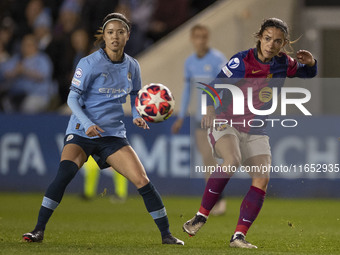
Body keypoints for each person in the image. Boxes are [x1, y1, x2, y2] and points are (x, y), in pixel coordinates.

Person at [22, 12, 184, 245]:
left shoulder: (132, 65)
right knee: (65, 173)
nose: (115, 36)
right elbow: (72, 100)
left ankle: (167, 235)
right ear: (104, 36)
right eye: (110, 32)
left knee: (142, 180)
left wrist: (137, 115)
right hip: (81, 131)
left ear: (127, 36)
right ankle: (38, 230)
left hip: (112, 135)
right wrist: (87, 124)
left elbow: (136, 93)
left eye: (120, 32)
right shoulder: (89, 63)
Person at [182, 17, 317, 248]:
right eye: (267, 38)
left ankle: (238, 237)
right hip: (226, 122)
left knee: (262, 179)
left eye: (277, 41)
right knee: (232, 159)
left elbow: (307, 74)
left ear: (283, 44)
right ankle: (200, 216)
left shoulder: (283, 63)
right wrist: (210, 111)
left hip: (256, 128)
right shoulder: (241, 62)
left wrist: (312, 63)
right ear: (259, 37)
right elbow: (211, 88)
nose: (271, 45)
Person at [171, 24, 227, 215]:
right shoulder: (189, 62)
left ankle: (217, 198)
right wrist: (180, 117)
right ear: (192, 39)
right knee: (207, 157)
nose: (200, 41)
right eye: (197, 37)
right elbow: (187, 90)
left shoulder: (218, 59)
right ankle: (217, 199)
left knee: (216, 156)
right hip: (198, 116)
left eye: (204, 37)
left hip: (217, 115)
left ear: (208, 38)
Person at [1, 33, 55, 113]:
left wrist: (24, 71)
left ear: (35, 45)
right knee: (6, 104)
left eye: (28, 45)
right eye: (23, 45)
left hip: (37, 95)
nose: (24, 47)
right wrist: (15, 72)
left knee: (28, 106)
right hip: (15, 95)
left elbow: (42, 76)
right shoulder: (17, 58)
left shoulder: (42, 59)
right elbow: (4, 73)